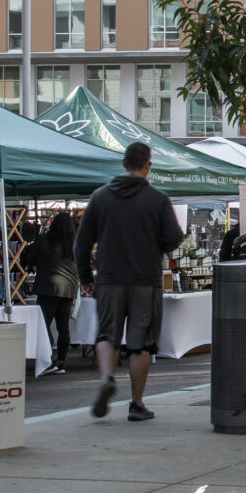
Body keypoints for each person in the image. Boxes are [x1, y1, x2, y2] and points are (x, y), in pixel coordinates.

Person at [77, 141, 183, 422]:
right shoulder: (158, 199)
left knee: (106, 334)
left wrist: (86, 278)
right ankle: (136, 404)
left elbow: (81, 244)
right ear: (147, 166)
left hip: (109, 278)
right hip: (145, 280)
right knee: (140, 344)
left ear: (123, 163)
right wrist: (153, 244)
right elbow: (174, 238)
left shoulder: (99, 197)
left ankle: (107, 378)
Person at [25, 212, 81, 376]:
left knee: (44, 325)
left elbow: (29, 258)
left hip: (48, 287)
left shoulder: (44, 239)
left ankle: (47, 358)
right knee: (63, 327)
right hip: (69, 289)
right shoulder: (74, 243)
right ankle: (61, 362)